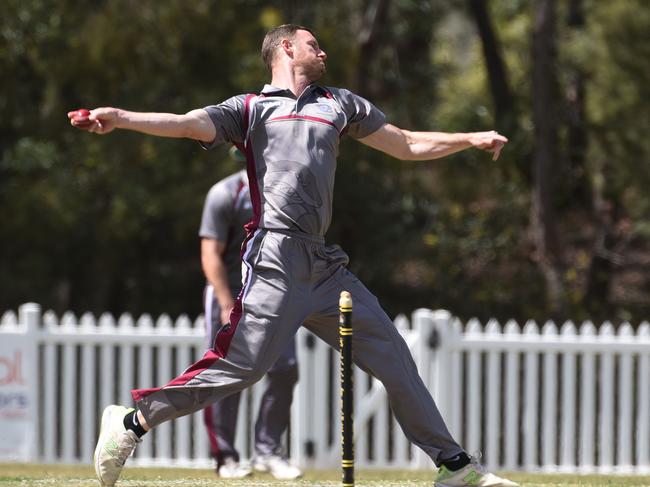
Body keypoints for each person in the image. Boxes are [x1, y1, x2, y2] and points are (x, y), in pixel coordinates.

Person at [70, 24, 516, 487]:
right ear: (286, 47)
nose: (322, 51)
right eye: (313, 44)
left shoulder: (339, 103)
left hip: (324, 267)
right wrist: (120, 116)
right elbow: (185, 124)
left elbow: (404, 143)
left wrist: (469, 138)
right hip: (274, 260)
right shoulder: (249, 109)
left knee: (394, 357)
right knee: (242, 368)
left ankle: (455, 466)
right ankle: (130, 422)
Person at [199, 148, 301, 479]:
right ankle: (225, 458)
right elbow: (210, 254)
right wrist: (228, 303)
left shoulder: (290, 197)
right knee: (226, 375)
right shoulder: (226, 193)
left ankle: (267, 452)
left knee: (285, 369)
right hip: (228, 294)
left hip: (273, 297)